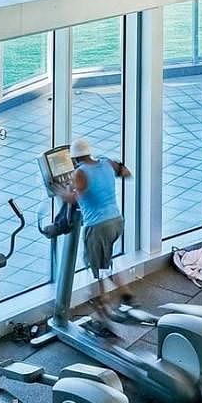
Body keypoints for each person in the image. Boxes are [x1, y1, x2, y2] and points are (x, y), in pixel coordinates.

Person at [55, 138, 132, 338]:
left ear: (74, 159)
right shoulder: (106, 163)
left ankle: (101, 313)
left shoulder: (80, 172)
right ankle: (124, 291)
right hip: (116, 221)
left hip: (98, 226)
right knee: (104, 262)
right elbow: (126, 173)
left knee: (95, 270)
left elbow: (72, 198)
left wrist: (58, 189)